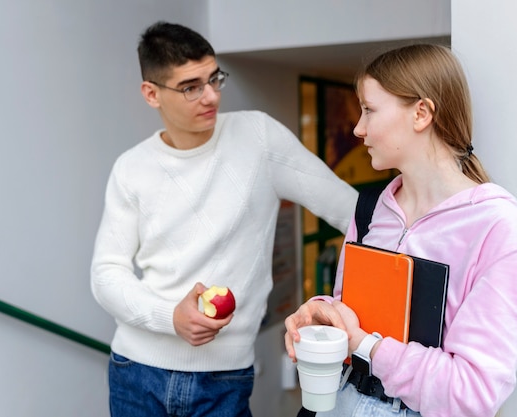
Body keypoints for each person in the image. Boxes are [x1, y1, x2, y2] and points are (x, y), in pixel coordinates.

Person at [90, 21, 358, 417]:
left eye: (214, 78)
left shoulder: (260, 138)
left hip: (224, 378)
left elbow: (348, 210)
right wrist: (171, 317)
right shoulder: (131, 168)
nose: (211, 95)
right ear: (152, 94)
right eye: (191, 86)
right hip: (135, 370)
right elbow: (106, 274)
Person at [284, 44, 517, 417]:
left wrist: (368, 347)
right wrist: (321, 313)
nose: (358, 128)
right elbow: (349, 310)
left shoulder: (499, 233)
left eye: (369, 110)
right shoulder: (370, 209)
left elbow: (472, 393)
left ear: (421, 113)